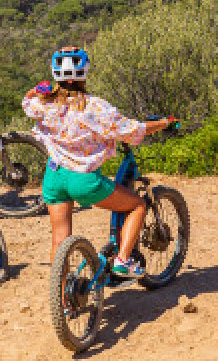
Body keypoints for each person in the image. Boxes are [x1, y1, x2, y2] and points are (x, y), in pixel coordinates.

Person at [22, 46, 176, 278]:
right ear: (85, 71)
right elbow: (133, 131)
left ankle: (62, 295)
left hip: (53, 177)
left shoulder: (44, 104)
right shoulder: (95, 107)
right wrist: (164, 123)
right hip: (83, 181)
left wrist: (37, 90)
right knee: (137, 205)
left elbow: (27, 102)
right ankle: (123, 260)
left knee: (59, 241)